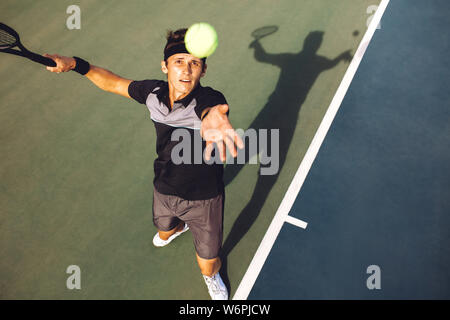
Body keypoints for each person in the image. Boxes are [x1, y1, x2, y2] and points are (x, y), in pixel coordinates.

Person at [44, 28, 243, 300]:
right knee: (163, 229)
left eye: (195, 63)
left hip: (204, 199)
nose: (186, 70)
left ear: (204, 71)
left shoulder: (209, 99)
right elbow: (112, 82)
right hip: (164, 185)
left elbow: (212, 110)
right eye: (179, 62)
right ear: (165, 66)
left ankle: (211, 277)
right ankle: (177, 228)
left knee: (207, 262)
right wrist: (75, 64)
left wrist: (213, 118)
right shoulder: (152, 93)